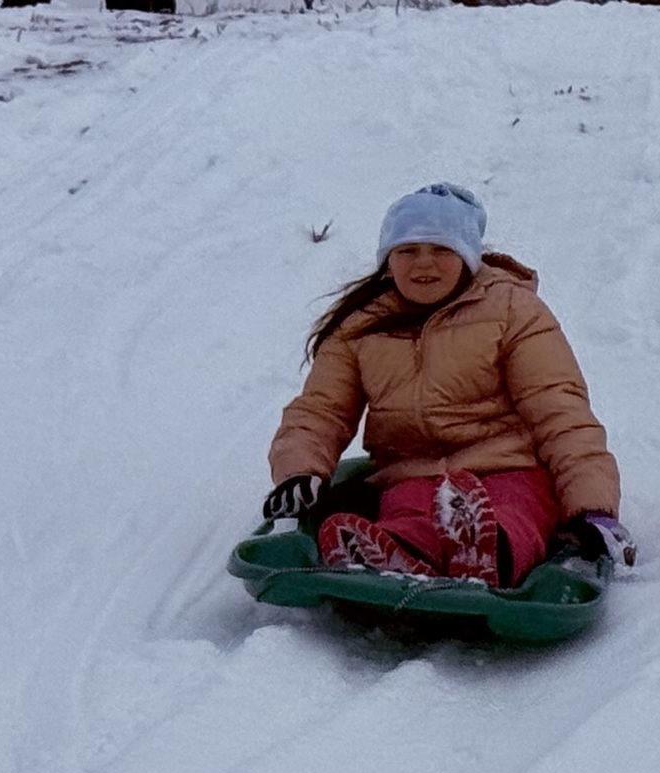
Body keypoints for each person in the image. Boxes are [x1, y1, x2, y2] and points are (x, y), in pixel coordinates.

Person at [263, 182, 632, 587]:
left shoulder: (513, 310)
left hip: (509, 468)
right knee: (410, 515)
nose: (424, 264)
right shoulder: (361, 326)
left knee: (513, 515)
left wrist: (592, 508)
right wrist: (299, 471)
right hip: (413, 475)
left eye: (441, 250)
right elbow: (321, 410)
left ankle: (490, 552)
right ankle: (388, 553)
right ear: (388, 260)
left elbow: (560, 410)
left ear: (468, 257)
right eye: (408, 251)